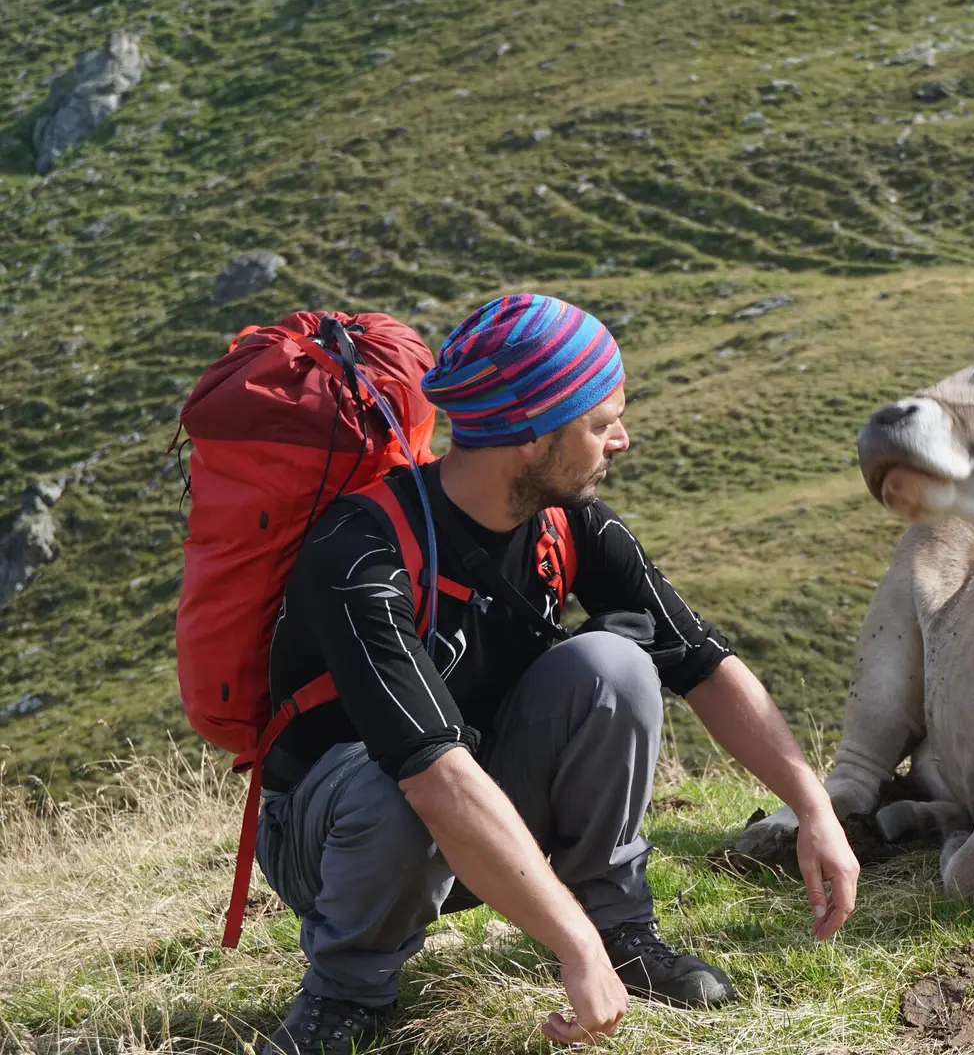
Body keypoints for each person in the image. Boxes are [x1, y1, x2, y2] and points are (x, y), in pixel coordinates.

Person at [253, 294, 859, 1054]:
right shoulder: (361, 555)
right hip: (337, 838)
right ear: (534, 437)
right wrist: (571, 947)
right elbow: (434, 778)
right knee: (397, 783)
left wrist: (815, 808)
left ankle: (623, 931)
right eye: (601, 422)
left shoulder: (569, 522)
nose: (622, 440)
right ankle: (343, 995)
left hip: (475, 812)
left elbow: (702, 661)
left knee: (615, 665)